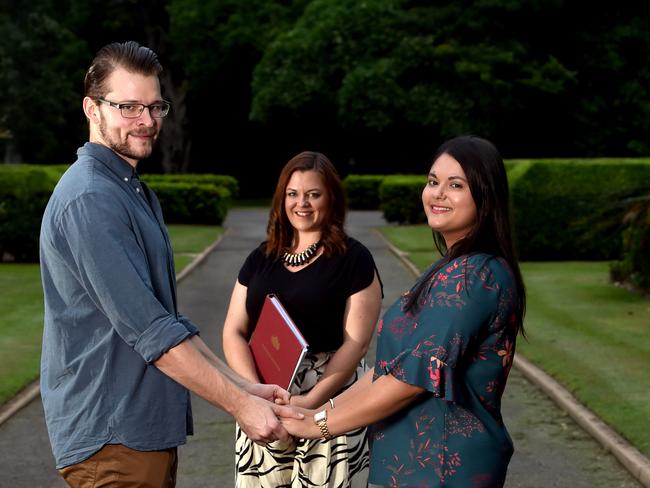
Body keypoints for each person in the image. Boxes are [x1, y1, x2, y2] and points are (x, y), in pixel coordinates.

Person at [39, 41, 300, 488]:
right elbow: (152, 333)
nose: (146, 120)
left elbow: (166, 319)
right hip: (113, 438)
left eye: (154, 105)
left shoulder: (128, 189)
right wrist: (240, 408)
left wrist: (242, 388)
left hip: (138, 435)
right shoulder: (90, 198)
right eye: (128, 106)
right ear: (91, 108)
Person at [281, 135, 527, 487]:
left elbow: (411, 381)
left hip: (444, 468)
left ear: (485, 197)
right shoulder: (447, 268)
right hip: (410, 465)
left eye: (455, 185)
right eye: (433, 181)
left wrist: (315, 426)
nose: (438, 193)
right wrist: (313, 412)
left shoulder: (476, 275)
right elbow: (388, 370)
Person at [222, 151, 384, 487]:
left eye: (314, 194)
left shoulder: (353, 259)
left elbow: (357, 342)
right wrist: (255, 392)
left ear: (331, 199)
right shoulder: (260, 258)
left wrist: (309, 403)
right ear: (282, 199)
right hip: (264, 398)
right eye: (293, 194)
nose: (302, 204)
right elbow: (234, 331)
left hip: (331, 402)